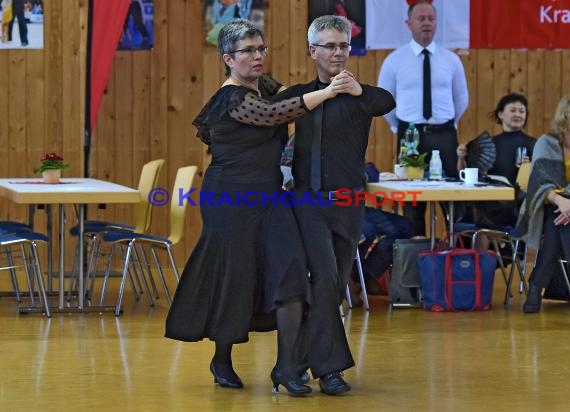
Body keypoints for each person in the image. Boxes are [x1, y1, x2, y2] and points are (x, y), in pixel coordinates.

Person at [164, 19, 353, 395]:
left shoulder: (262, 84)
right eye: (248, 51)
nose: (257, 56)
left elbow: (289, 97)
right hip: (230, 200)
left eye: (261, 49)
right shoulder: (231, 97)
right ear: (228, 59)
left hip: (271, 197)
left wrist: (332, 83)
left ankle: (286, 368)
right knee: (236, 279)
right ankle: (222, 356)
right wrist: (329, 92)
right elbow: (276, 114)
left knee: (292, 272)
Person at [274, 15, 395, 395]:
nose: (339, 53)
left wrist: (357, 90)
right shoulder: (301, 96)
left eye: (344, 46)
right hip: (308, 203)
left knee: (334, 284)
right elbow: (271, 109)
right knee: (325, 279)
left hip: (349, 205)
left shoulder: (362, 98)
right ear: (313, 51)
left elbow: (386, 101)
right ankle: (329, 370)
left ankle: (296, 364)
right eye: (330, 46)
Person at [377, 0, 468, 235]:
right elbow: (383, 101)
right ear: (409, 23)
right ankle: (415, 262)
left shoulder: (451, 60)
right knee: (413, 205)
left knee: (454, 203)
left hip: (445, 136)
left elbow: (461, 99)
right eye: (421, 18)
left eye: (431, 18)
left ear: (436, 23)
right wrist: (401, 127)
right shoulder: (395, 60)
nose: (427, 23)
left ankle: (456, 259)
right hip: (411, 138)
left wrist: (449, 124)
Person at [456, 93, 535, 248]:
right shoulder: (488, 144)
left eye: (522, 111)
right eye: (513, 110)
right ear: (500, 114)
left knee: (477, 215)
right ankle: (479, 260)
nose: (518, 114)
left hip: (516, 205)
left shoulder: (534, 144)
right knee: (464, 213)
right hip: (488, 200)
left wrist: (529, 168)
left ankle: (481, 262)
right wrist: (461, 158)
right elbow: (467, 175)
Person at [516, 95, 570, 313]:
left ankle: (536, 285)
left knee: (558, 224)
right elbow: (539, 182)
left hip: (565, 208)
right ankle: (537, 285)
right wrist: (561, 200)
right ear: (565, 116)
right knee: (559, 220)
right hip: (548, 203)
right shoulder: (547, 143)